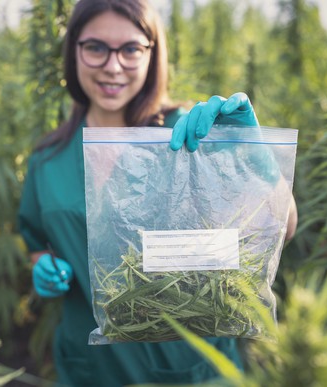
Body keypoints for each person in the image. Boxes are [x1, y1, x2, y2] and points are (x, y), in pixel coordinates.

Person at [17, 0, 298, 385]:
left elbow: (282, 226)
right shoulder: (47, 159)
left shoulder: (190, 133)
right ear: (74, 52)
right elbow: (37, 241)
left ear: (153, 53)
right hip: (91, 368)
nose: (112, 66)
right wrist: (43, 267)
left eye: (131, 49)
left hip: (189, 363)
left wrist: (253, 152)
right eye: (96, 47)